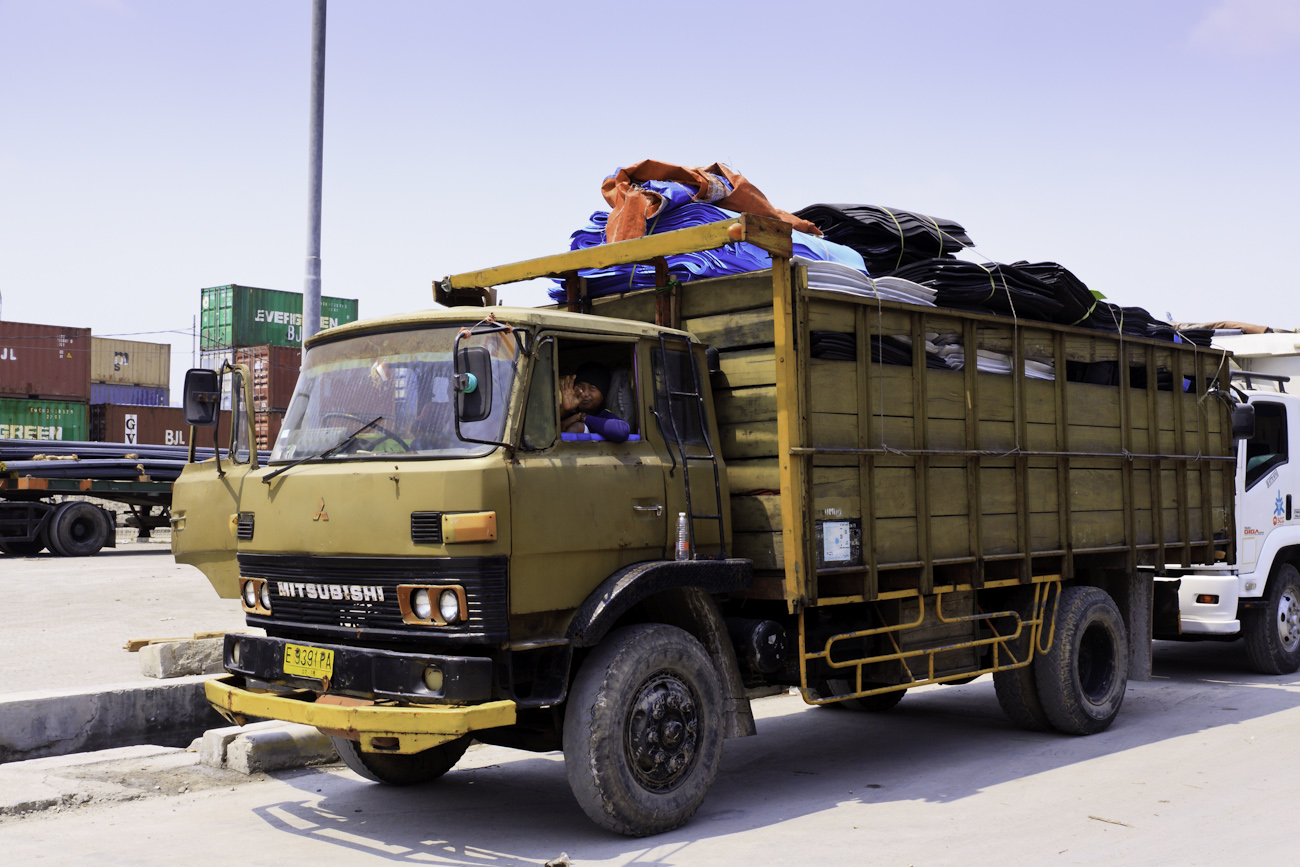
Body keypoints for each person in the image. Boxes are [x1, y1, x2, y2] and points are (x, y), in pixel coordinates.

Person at [560, 361, 630, 443]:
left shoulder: (604, 416)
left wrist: (581, 417)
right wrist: (565, 410)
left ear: (603, 393)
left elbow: (622, 431)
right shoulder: (566, 414)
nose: (585, 394)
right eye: (580, 387)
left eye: (592, 388)